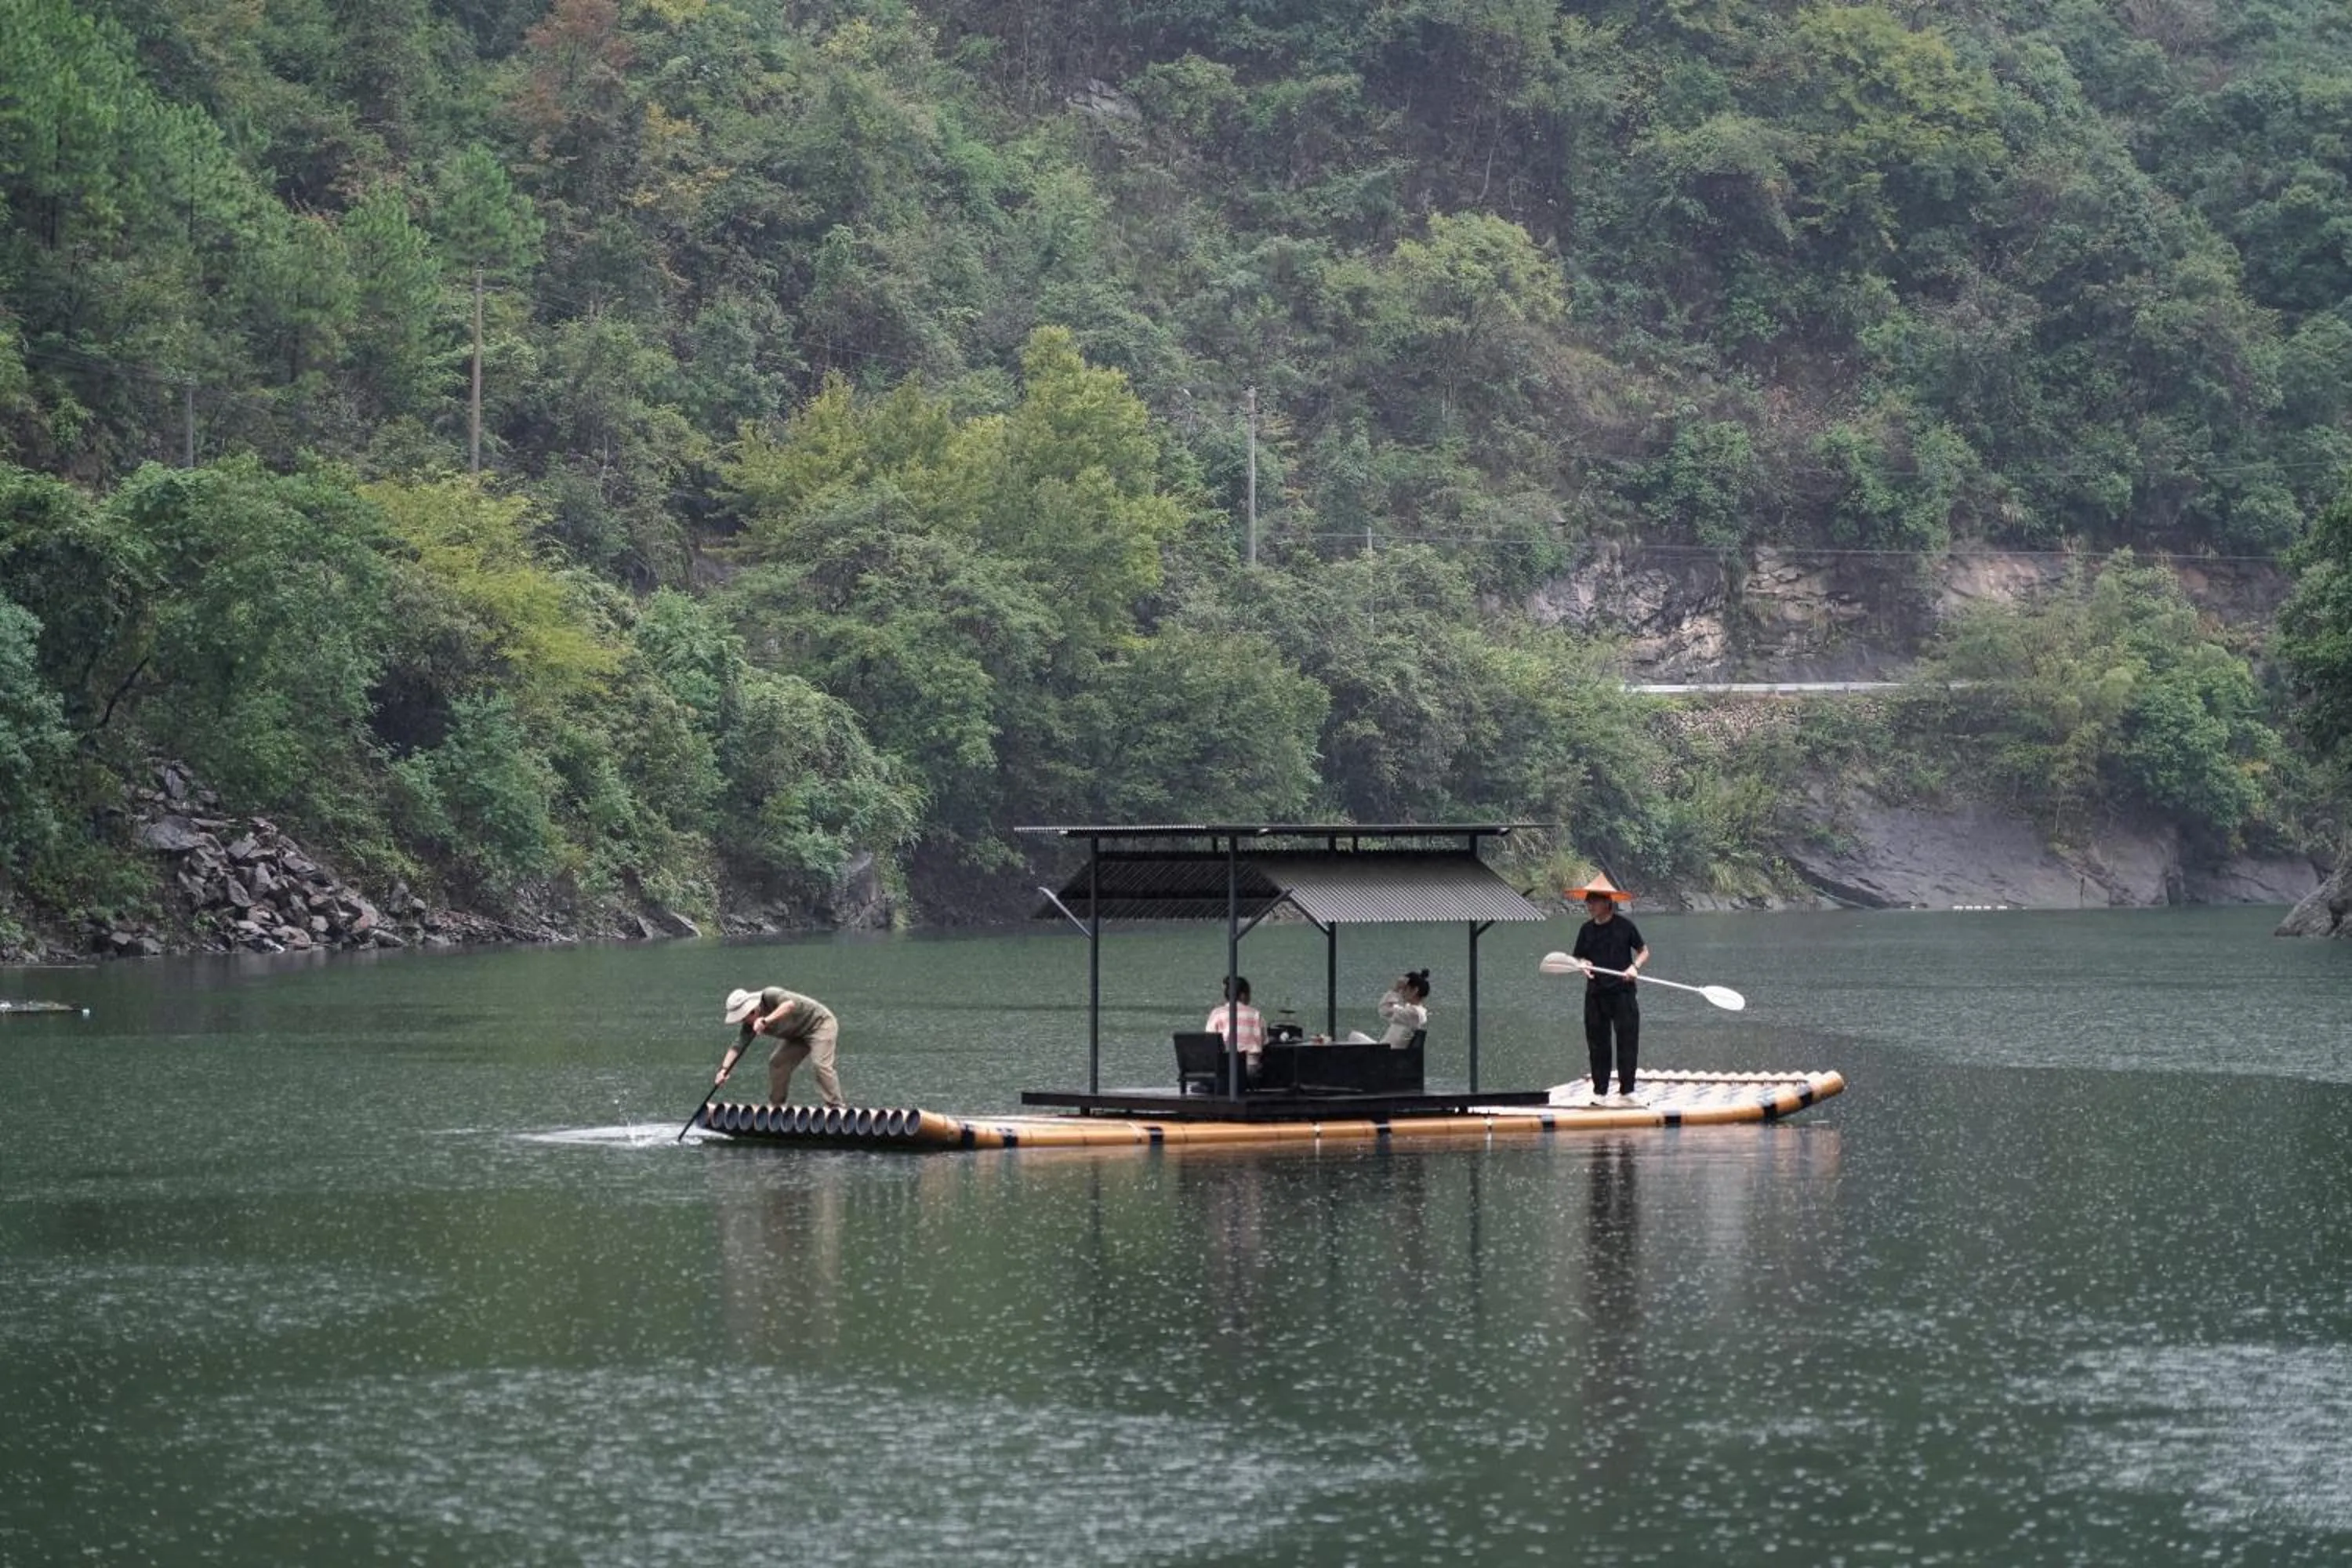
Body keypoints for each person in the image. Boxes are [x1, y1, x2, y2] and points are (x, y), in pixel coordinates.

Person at [1568, 873, 1650, 1105]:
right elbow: (1579, 957)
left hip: (1623, 992)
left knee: (1627, 1041)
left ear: (1607, 903)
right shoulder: (1586, 930)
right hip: (1596, 994)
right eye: (1588, 900)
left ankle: (1627, 1091)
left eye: (1593, 900)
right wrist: (1583, 964)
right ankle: (1600, 1092)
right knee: (1597, 1043)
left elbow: (1644, 951)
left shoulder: (1625, 926)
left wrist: (1635, 967)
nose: (1589, 905)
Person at [723, 985, 847, 1108]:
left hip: (819, 1025)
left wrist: (765, 1020)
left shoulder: (770, 995)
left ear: (753, 1010)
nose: (743, 1022)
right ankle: (777, 1107)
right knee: (777, 1062)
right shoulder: (748, 1025)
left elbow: (789, 1005)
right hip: (797, 1035)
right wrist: (724, 1070)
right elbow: (737, 1047)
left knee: (820, 1064)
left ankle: (835, 1106)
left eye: (744, 1018)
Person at [1204, 975, 1267, 1065]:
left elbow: (1209, 1039)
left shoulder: (1216, 1013)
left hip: (1223, 1066)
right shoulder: (1255, 1014)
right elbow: (1264, 1042)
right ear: (1243, 995)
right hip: (1249, 1067)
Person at [1378, 970, 1432, 1047]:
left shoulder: (1414, 1013)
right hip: (1385, 1051)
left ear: (1415, 990)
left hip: (1386, 1054)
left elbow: (1384, 1010)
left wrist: (1395, 990)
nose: (1401, 992)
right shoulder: (1412, 1011)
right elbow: (1388, 1009)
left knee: (1355, 1037)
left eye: (1404, 989)